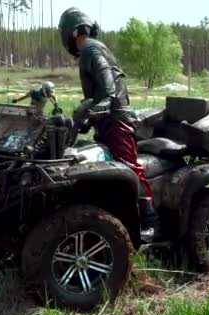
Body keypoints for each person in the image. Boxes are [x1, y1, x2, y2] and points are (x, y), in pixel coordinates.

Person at [58, 7, 164, 241]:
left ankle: (151, 222)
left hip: (116, 121)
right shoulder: (94, 48)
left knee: (128, 166)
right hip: (107, 120)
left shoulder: (90, 49)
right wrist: (87, 114)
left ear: (71, 32)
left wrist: (98, 108)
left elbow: (108, 88)